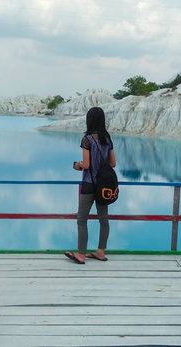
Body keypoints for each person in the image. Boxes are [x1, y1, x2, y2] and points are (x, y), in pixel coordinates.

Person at [65, 107, 116, 264]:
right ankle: (101, 252)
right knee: (103, 219)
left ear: (89, 120)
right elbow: (113, 163)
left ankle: (81, 254)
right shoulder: (107, 138)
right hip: (104, 186)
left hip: (89, 185)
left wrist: (77, 165)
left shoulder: (87, 140)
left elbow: (86, 164)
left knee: (82, 219)